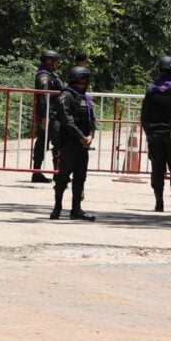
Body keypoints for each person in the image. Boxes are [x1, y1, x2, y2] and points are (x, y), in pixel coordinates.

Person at [50, 66, 96, 221]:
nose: (86, 82)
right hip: (67, 143)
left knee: (80, 177)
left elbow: (91, 120)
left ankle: (76, 210)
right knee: (62, 178)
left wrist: (90, 135)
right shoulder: (66, 96)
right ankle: (57, 208)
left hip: (82, 145)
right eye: (84, 79)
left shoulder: (85, 97)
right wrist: (81, 137)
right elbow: (67, 120)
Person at [140, 56, 171, 212]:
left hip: (155, 136)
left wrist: (149, 133)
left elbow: (144, 116)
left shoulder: (151, 89)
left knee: (157, 169)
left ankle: (159, 202)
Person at [32, 49, 63, 183]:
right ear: (49, 61)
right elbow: (44, 96)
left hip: (52, 114)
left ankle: (45, 172)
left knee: (46, 142)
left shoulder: (51, 74)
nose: (58, 63)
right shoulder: (43, 76)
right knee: (51, 142)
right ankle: (49, 173)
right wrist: (45, 116)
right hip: (49, 115)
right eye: (56, 61)